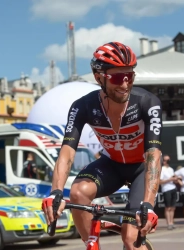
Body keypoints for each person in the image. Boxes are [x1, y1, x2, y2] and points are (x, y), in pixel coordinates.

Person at [42, 42, 162, 250]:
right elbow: (67, 152)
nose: (125, 84)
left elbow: (153, 154)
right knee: (78, 193)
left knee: (131, 240)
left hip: (140, 169)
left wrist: (148, 205)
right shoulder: (83, 106)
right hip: (111, 165)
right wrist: (56, 192)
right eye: (117, 77)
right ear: (99, 77)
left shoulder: (147, 102)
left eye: (130, 76)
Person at [159, 154, 178, 230]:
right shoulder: (162, 169)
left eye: (168, 160)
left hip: (173, 188)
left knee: (173, 207)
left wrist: (175, 179)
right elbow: (159, 181)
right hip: (166, 189)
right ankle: (168, 223)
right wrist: (169, 180)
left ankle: (172, 222)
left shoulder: (171, 169)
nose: (166, 162)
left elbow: (174, 179)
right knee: (168, 207)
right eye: (165, 160)